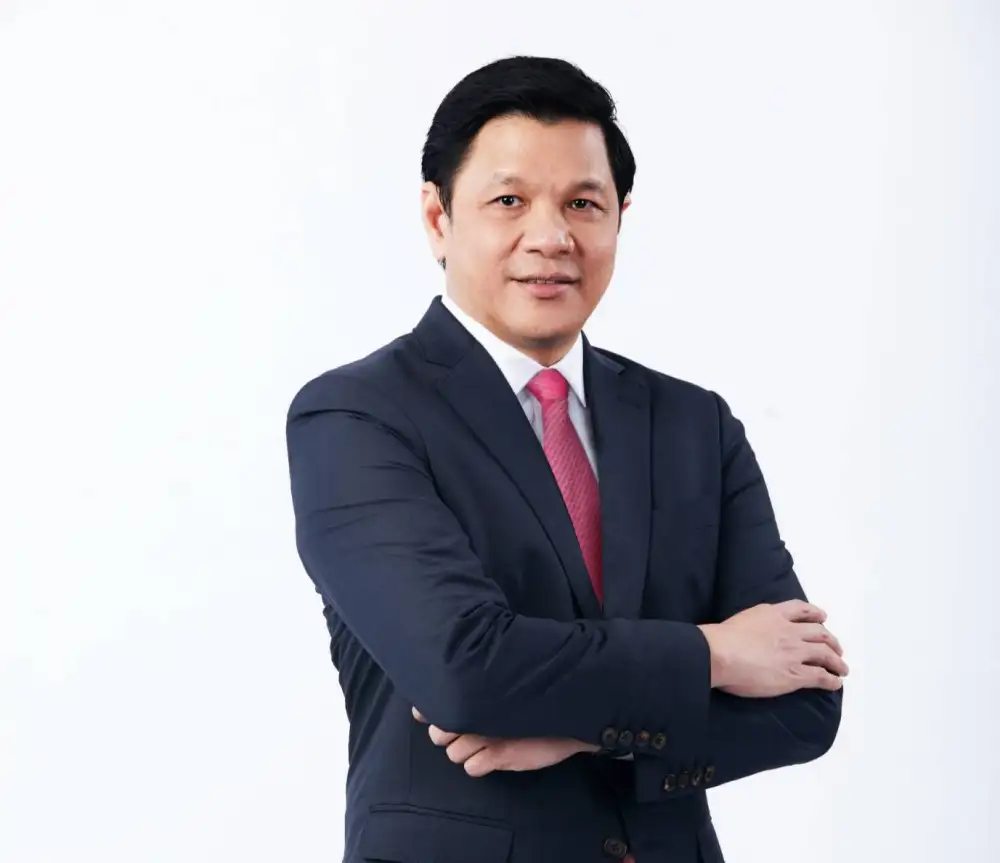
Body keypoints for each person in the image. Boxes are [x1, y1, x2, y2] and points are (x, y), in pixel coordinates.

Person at [286, 55, 847, 863]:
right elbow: (465, 669)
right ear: (439, 218)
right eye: (509, 201)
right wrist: (718, 654)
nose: (551, 237)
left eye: (583, 203)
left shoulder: (694, 423)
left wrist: (584, 731)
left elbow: (805, 701)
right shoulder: (357, 416)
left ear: (620, 217)